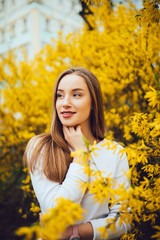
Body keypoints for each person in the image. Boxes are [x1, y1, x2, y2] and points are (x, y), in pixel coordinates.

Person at [24, 67, 130, 240]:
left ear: (94, 102)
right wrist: (80, 155)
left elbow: (123, 220)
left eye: (76, 95)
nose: (65, 103)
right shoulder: (40, 147)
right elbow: (56, 213)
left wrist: (73, 233)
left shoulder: (115, 153)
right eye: (60, 95)